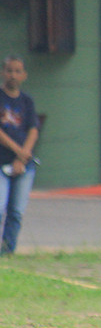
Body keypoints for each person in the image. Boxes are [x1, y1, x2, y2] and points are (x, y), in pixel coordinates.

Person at [0, 55, 40, 255]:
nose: (13, 75)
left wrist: (23, 156)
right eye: (9, 70)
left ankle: (8, 251)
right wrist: (17, 151)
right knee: (0, 207)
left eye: (17, 71)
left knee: (15, 212)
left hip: (23, 165)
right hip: (2, 161)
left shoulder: (27, 101)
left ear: (24, 75)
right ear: (2, 73)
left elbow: (33, 129)